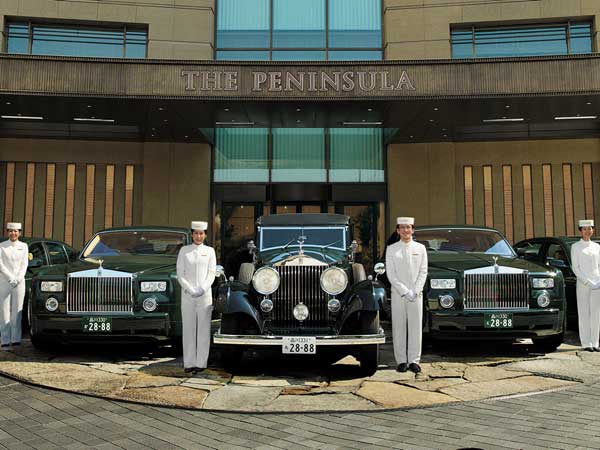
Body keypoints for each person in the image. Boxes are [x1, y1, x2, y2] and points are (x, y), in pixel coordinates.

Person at [385, 217, 428, 373]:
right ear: (397, 230)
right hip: (398, 294)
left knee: (415, 327)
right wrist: (404, 291)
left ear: (413, 230)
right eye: (402, 228)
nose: (405, 230)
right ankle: (402, 360)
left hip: (416, 294)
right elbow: (391, 274)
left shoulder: (421, 248)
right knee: (399, 327)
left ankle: (414, 361)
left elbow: (423, 271)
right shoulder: (392, 249)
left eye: (408, 227)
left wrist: (415, 291)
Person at [176, 221, 217, 373]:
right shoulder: (184, 251)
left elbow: (211, 273)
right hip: (188, 295)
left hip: (204, 296)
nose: (199, 236)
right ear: (192, 234)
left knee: (204, 329)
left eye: (201, 233)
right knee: (188, 328)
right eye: (196, 233)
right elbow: (180, 274)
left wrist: (202, 288)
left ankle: (201, 363)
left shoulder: (210, 251)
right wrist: (190, 289)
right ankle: (189, 362)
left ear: (205, 235)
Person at [571, 219, 600, 352]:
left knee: (596, 313)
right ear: (580, 231)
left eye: (590, 229)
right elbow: (575, 268)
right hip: (583, 284)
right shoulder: (576, 247)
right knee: (584, 313)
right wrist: (587, 281)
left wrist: (598, 281)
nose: (588, 231)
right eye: (585, 229)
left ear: (593, 230)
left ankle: (595, 342)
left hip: (597, 284)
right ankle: (586, 343)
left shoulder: (597, 247)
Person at [0, 222, 29, 349]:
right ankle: (5, 339)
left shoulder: (24, 246)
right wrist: (10, 277)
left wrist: (17, 278)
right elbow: (0, 264)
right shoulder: (2, 246)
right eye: (11, 231)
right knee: (4, 311)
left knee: (17, 311)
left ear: (20, 232)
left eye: (16, 231)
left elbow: (24, 264)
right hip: (5, 281)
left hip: (19, 282)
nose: (13, 233)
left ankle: (16, 338)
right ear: (7, 232)